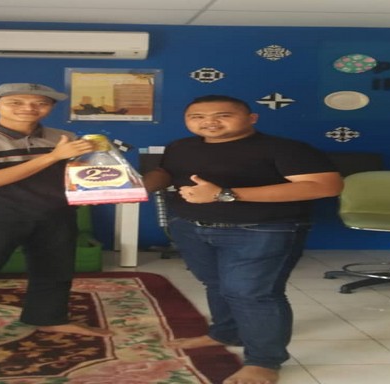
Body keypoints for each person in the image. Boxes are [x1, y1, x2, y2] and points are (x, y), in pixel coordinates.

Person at [142, 95, 343, 384]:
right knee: (216, 284)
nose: (209, 122)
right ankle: (225, 334)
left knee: (252, 294)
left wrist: (224, 194)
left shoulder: (285, 148)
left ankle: (264, 361)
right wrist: (143, 184)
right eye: (197, 117)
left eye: (223, 115)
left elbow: (327, 186)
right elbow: (167, 173)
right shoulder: (180, 146)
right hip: (191, 227)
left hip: (261, 230)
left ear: (252, 118)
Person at [0, 82, 111, 354]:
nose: (29, 108)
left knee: (54, 273)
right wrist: (54, 156)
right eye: (15, 102)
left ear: (50, 107)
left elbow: (74, 175)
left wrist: (100, 181)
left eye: (40, 103)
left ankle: (49, 319)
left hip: (54, 214)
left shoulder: (62, 137)